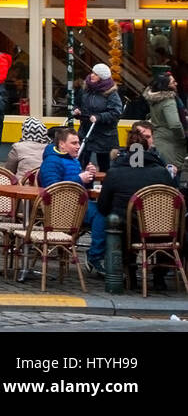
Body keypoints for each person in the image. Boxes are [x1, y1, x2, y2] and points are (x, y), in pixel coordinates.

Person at [98, 127, 176, 291]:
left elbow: (103, 207)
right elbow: (175, 199)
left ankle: (130, 273)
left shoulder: (115, 173)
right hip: (161, 232)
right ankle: (159, 276)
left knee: (116, 223)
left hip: (128, 233)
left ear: (127, 149)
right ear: (148, 148)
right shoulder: (162, 173)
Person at [38, 126, 107, 276]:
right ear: (62, 145)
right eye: (74, 143)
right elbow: (52, 189)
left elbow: (77, 185)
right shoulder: (52, 161)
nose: (78, 146)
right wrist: (79, 178)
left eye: (78, 142)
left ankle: (100, 254)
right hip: (61, 210)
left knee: (106, 209)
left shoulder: (73, 160)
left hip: (76, 206)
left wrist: (89, 177)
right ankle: (95, 256)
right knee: (102, 214)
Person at [75, 63, 123, 171]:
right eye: (92, 72)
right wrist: (77, 111)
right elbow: (77, 103)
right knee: (82, 163)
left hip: (105, 135)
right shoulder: (85, 89)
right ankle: (84, 185)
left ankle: (105, 186)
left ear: (102, 77)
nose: (92, 75)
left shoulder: (111, 93)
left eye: (96, 74)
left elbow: (116, 112)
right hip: (86, 132)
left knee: (105, 165)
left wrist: (99, 117)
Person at [144, 73, 186, 172]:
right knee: (173, 174)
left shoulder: (155, 99)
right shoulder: (168, 100)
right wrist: (182, 137)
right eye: (173, 82)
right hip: (171, 143)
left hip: (159, 139)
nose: (176, 83)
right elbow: (175, 124)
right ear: (166, 86)